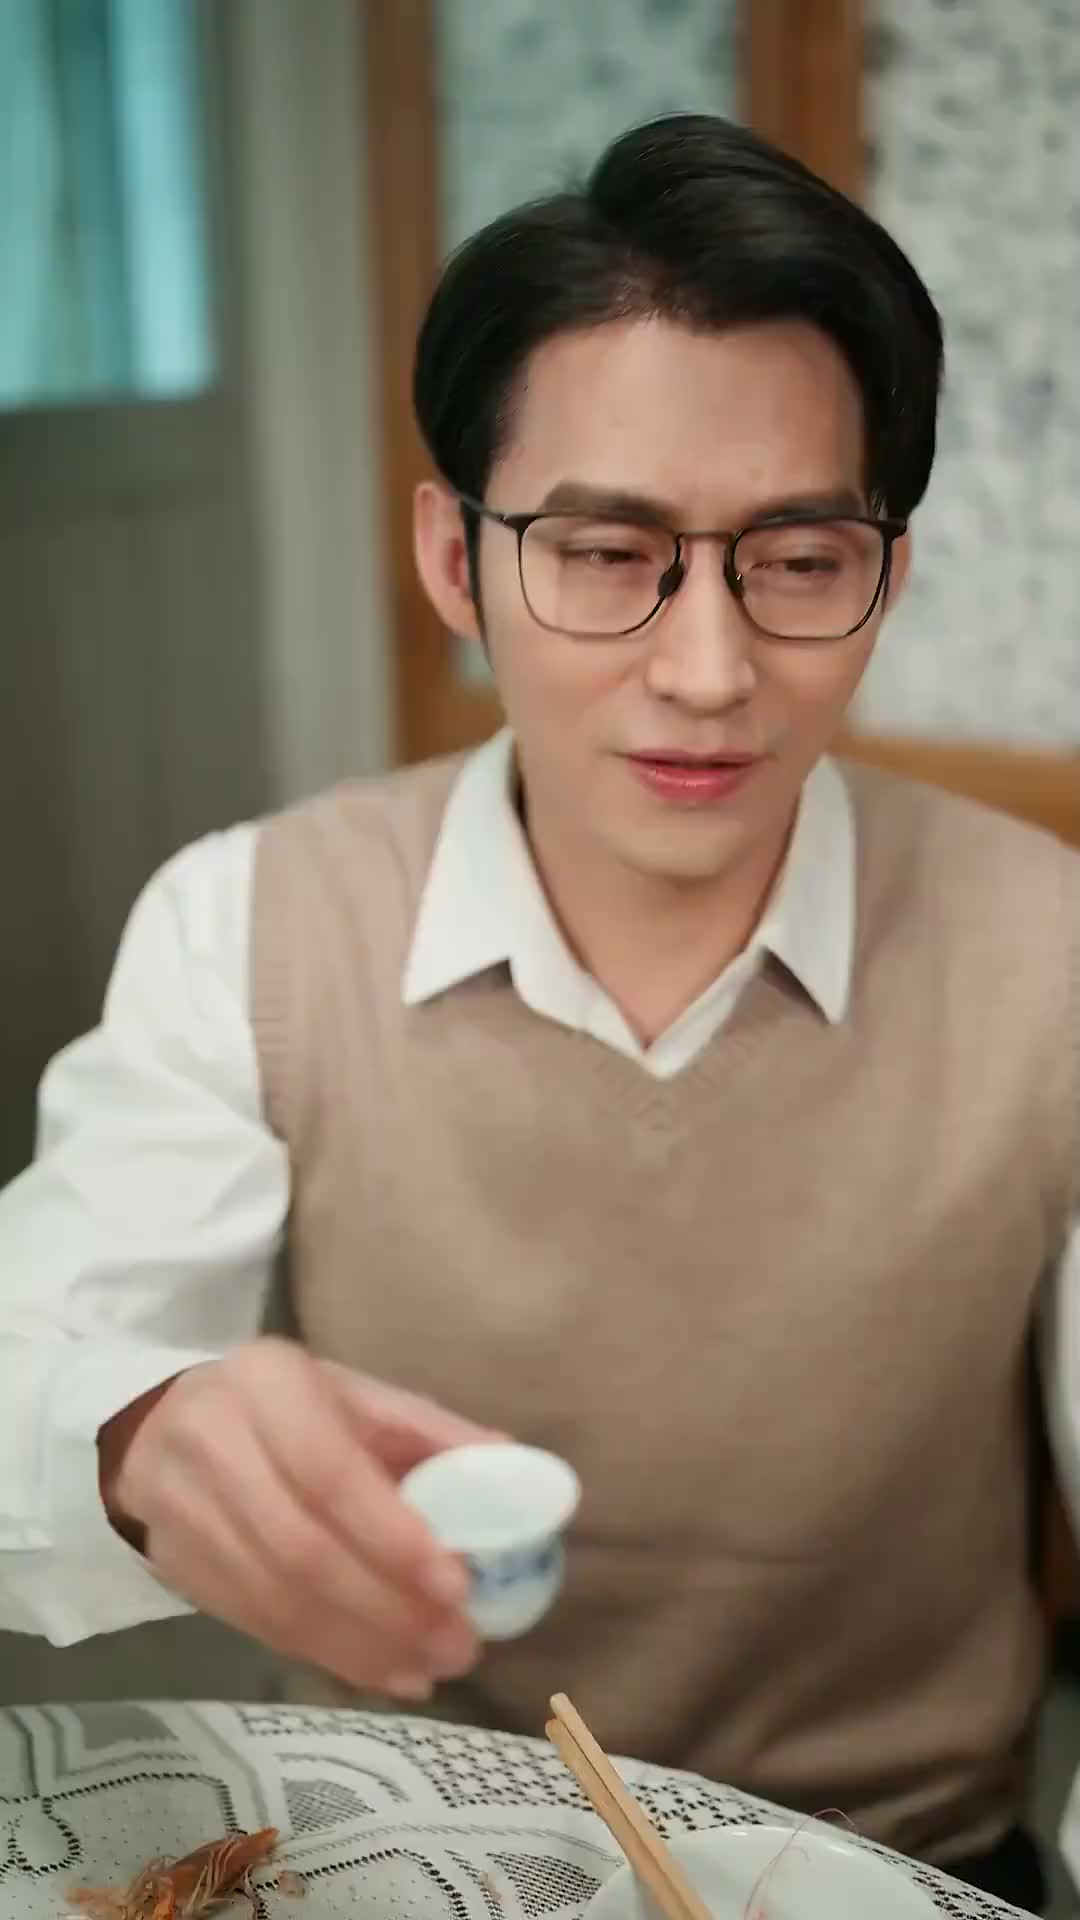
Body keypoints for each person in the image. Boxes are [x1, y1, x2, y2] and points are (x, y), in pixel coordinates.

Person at [0, 112, 1076, 1915]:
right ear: (456, 559)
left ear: (887, 571)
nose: (709, 670)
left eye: (801, 559)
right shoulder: (247, 923)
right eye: (600, 552)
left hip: (901, 1870)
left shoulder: (1053, 952)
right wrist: (133, 1431)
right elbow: (37, 1343)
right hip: (388, 1853)